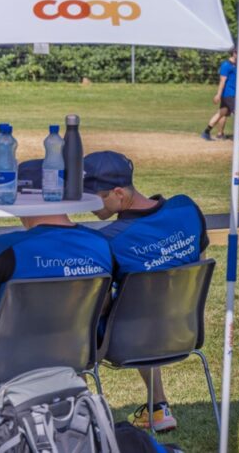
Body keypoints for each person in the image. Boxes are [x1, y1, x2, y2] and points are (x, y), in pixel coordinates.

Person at [84, 150, 209, 432]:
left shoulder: (110, 240)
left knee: (73, 322)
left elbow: (99, 307)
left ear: (118, 193)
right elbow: (199, 263)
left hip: (130, 341)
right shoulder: (186, 209)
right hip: (184, 330)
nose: (88, 206)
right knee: (146, 307)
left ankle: (80, 415)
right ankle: (158, 407)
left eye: (93, 198)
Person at [202, 49, 239, 141]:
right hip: (229, 94)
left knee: (221, 113)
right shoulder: (226, 65)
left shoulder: (237, 64)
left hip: (233, 93)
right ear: (234, 53)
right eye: (238, 53)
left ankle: (206, 132)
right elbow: (222, 81)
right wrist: (218, 94)